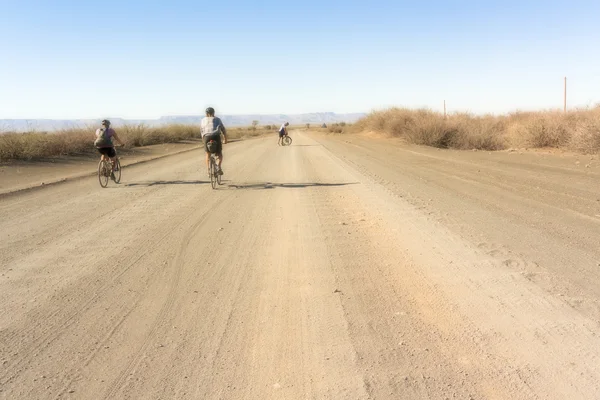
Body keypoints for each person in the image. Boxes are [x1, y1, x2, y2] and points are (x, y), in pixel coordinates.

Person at [200, 107, 228, 176]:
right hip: (216, 136)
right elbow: (223, 130)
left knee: (208, 154)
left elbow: (201, 131)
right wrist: (225, 140)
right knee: (219, 153)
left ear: (206, 113)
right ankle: (218, 166)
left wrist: (203, 140)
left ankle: (209, 170)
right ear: (213, 113)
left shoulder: (203, 120)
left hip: (206, 137)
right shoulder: (217, 119)